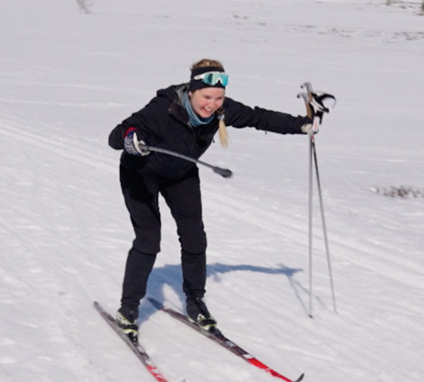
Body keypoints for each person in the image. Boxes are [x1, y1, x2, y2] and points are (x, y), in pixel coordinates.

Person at [108, 59, 316, 342]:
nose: (212, 104)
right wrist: (131, 138)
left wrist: (302, 126)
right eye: (207, 97)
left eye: (218, 98)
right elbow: (117, 135)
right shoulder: (163, 108)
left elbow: (259, 118)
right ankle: (128, 309)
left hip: (181, 174)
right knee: (148, 239)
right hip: (141, 174)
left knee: (195, 239)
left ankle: (195, 303)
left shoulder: (223, 109)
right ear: (192, 91)